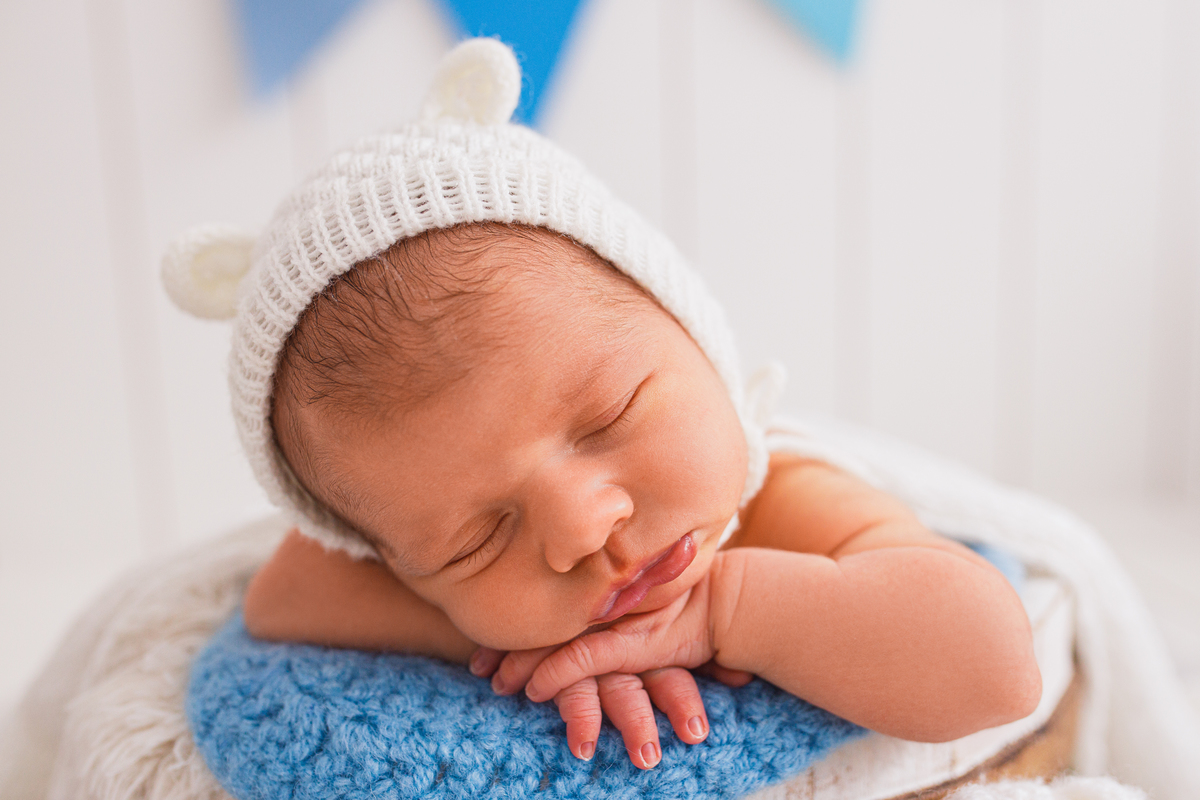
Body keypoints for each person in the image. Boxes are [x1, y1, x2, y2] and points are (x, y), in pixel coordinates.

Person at [165, 38, 1040, 772]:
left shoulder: (780, 496)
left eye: (610, 417)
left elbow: (995, 667)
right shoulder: (404, 538)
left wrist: (720, 610)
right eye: (476, 540)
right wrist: (524, 642)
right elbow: (284, 592)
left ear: (698, 340)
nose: (583, 529)